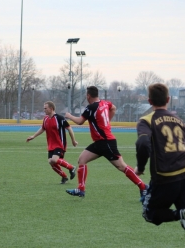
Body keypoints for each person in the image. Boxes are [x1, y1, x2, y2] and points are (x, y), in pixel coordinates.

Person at [65, 86, 147, 198]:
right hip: (100, 142)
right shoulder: (105, 103)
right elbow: (113, 108)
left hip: (106, 142)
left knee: (121, 166)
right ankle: (81, 189)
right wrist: (107, 120)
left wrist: (69, 116)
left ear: (88, 96)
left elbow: (79, 121)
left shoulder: (91, 107)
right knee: (82, 160)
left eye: (86, 96)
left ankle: (143, 187)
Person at [134, 83, 185, 230]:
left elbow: (143, 143)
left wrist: (141, 167)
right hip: (183, 173)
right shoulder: (179, 120)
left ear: (149, 101)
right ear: (168, 99)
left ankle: (179, 214)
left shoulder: (147, 120)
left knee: (149, 213)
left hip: (165, 176)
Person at [26, 101, 78, 184]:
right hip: (51, 144)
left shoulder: (59, 118)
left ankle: (71, 168)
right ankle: (64, 177)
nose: (44, 110)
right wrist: (33, 136)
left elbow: (69, 128)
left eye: (45, 108)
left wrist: (73, 140)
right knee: (51, 162)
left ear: (51, 108)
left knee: (54, 159)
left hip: (60, 143)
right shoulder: (46, 118)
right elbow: (43, 128)